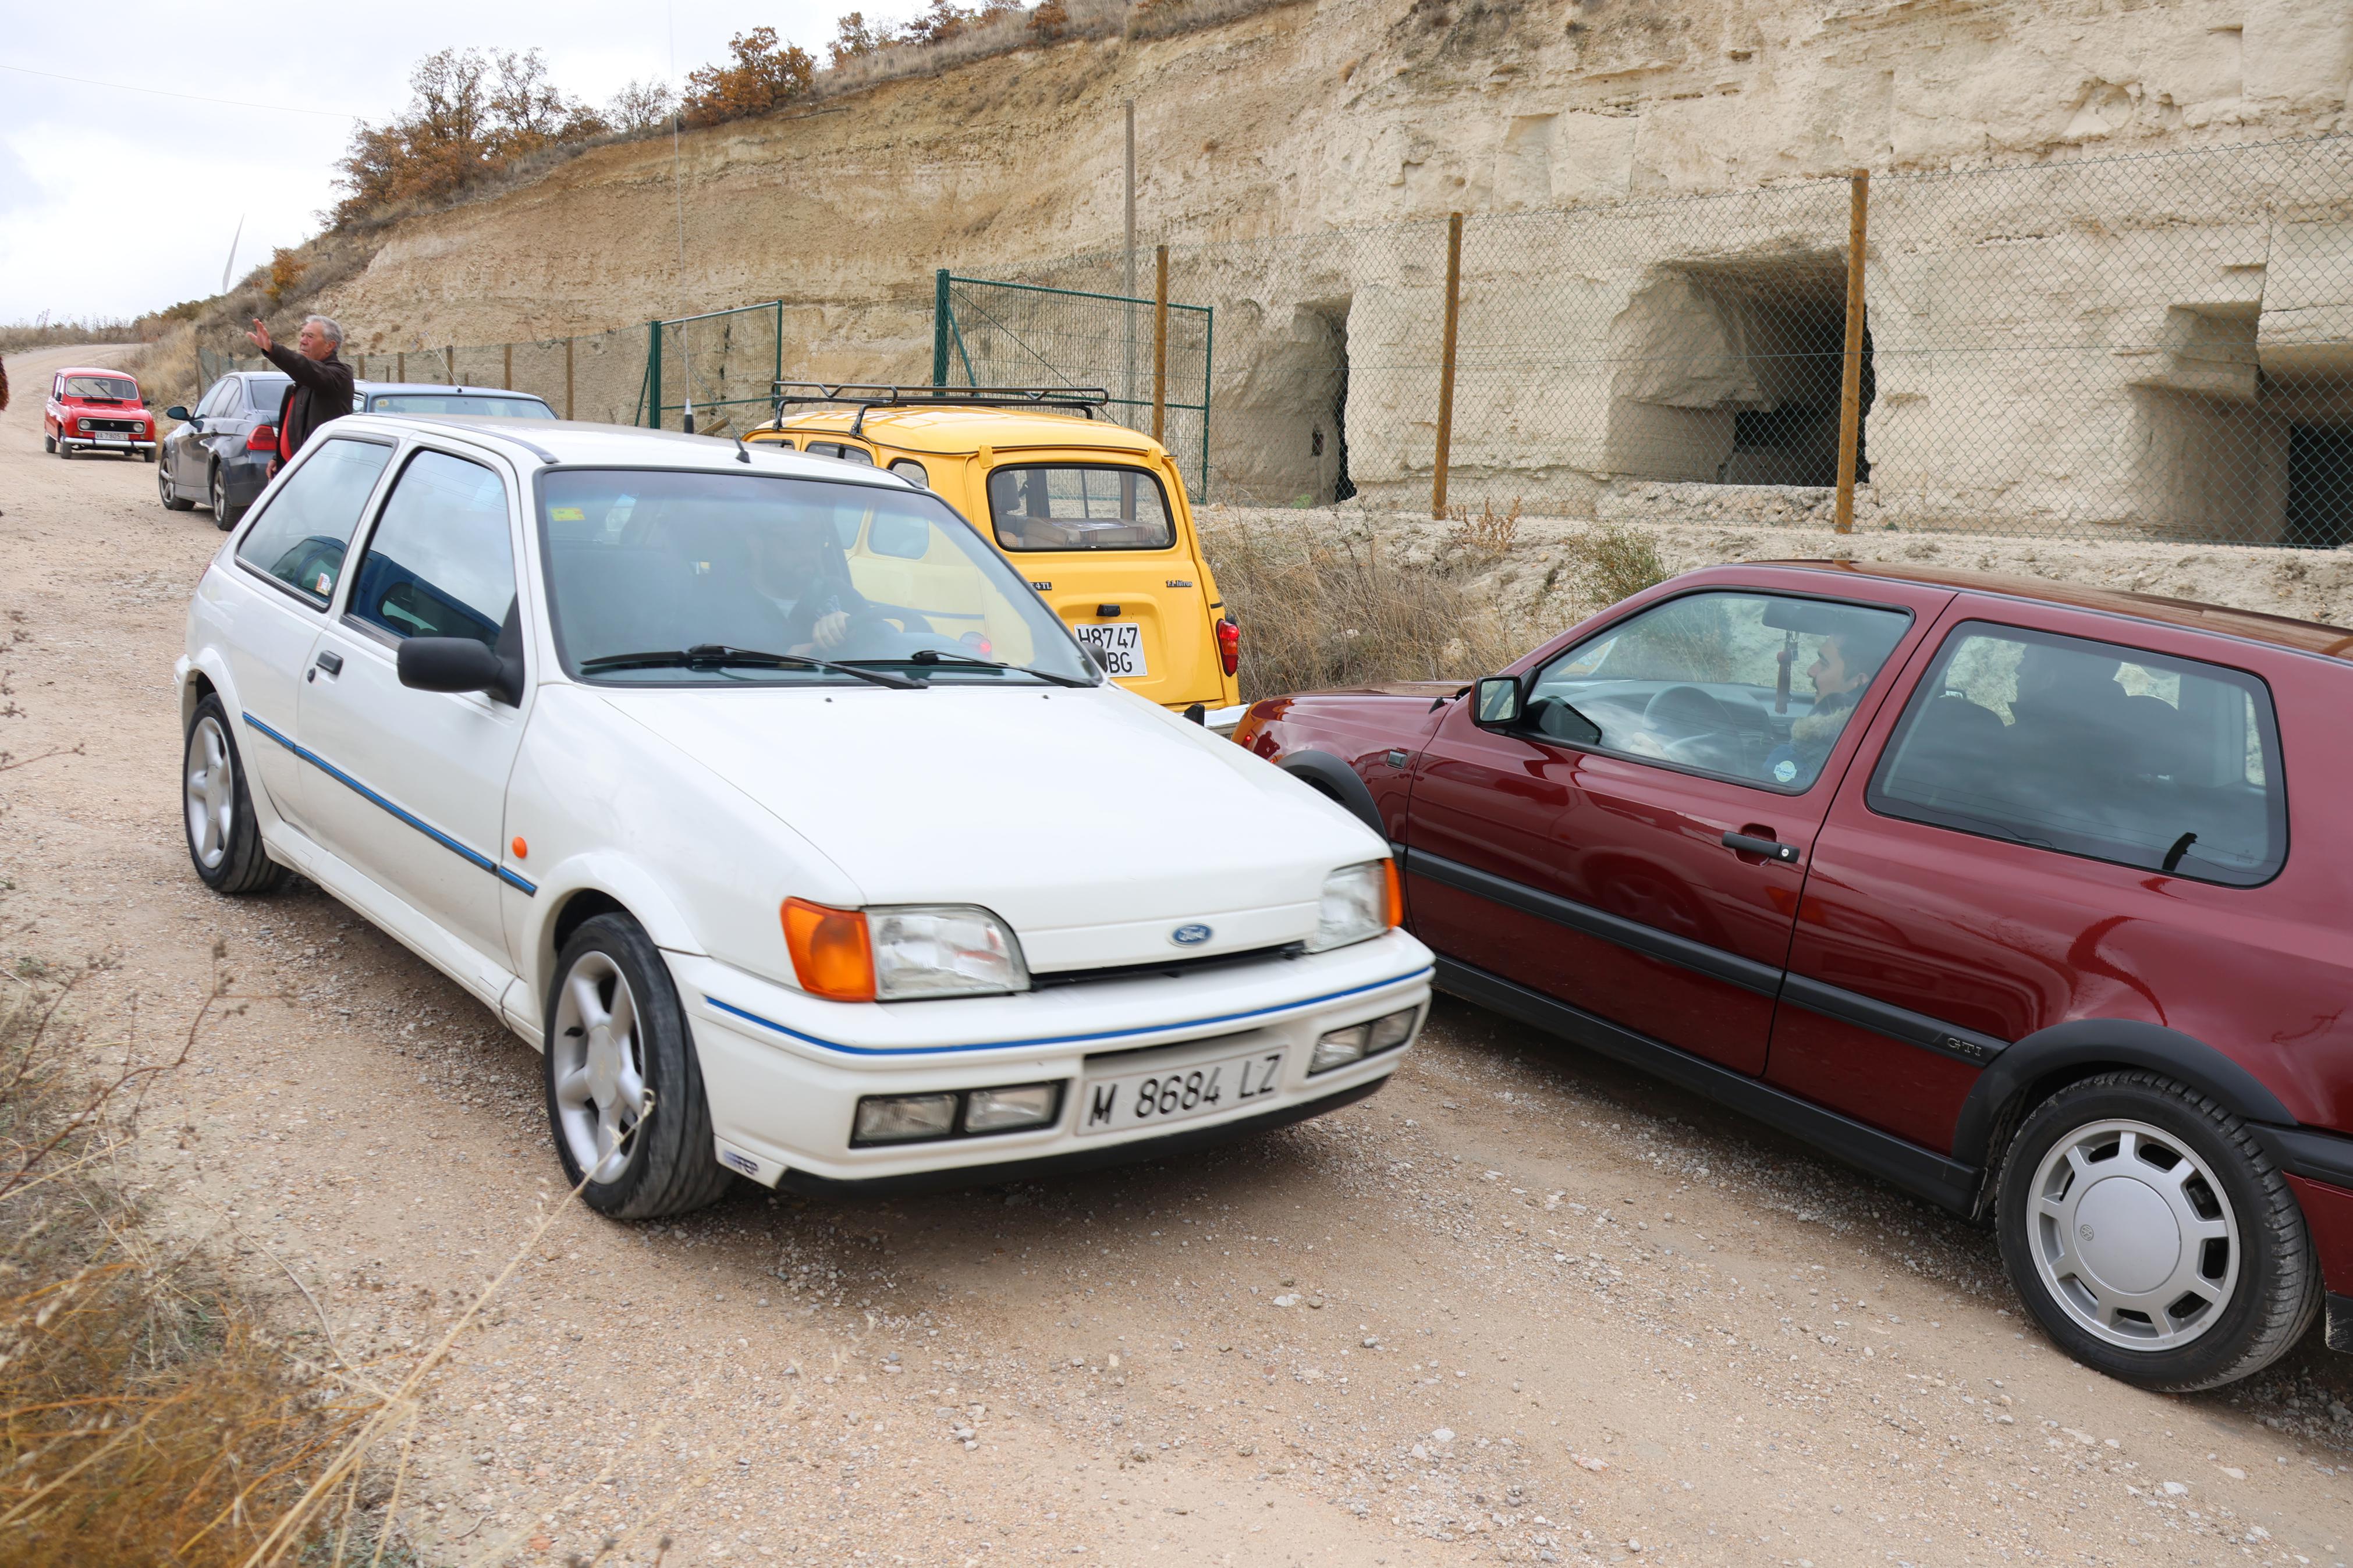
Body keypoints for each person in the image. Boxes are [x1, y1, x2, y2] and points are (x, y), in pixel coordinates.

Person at [243, 314, 352, 476]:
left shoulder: (338, 375)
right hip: (295, 471)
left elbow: (306, 369)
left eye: (310, 336)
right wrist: (278, 458)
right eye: (302, 335)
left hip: (321, 473)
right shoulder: (299, 386)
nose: (302, 341)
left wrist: (273, 349)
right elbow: (295, 429)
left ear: (330, 346)